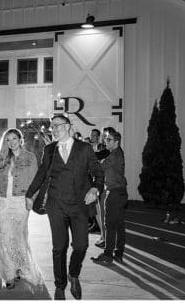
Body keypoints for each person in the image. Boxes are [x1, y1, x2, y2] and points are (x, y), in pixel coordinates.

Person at [26, 115, 104, 300]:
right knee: (59, 248)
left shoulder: (84, 148)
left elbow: (98, 174)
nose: (53, 129)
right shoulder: (50, 149)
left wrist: (94, 188)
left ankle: (73, 274)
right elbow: (41, 174)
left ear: (68, 127)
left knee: (81, 245)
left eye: (57, 126)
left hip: (79, 207)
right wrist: (29, 194)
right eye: (51, 127)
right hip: (56, 205)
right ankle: (60, 285)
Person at [0, 129, 45, 289]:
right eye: (8, 140)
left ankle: (21, 269)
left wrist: (32, 199)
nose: (11, 142)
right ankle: (8, 274)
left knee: (19, 236)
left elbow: (36, 180)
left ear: (20, 139)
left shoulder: (30, 157)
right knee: (5, 235)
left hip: (21, 201)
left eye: (14, 138)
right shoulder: (1, 157)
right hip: (2, 201)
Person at [91, 130, 128, 265]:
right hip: (120, 192)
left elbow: (100, 167)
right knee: (119, 225)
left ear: (116, 142)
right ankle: (118, 254)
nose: (106, 141)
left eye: (109, 140)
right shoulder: (117, 153)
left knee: (109, 225)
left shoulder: (114, 155)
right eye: (106, 139)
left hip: (115, 193)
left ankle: (108, 255)